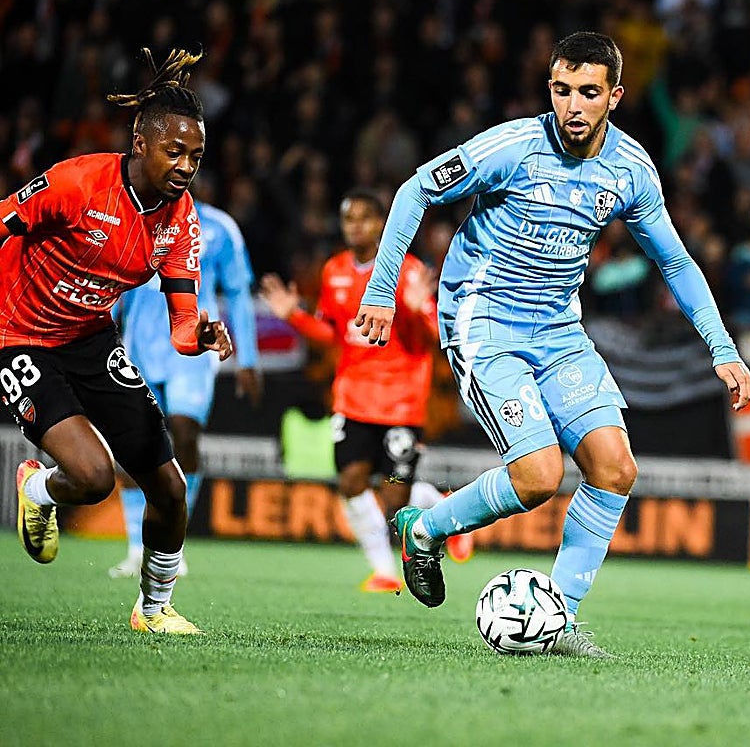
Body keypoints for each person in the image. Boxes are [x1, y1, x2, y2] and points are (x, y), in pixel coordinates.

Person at [356, 31, 750, 658]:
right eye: (562, 90)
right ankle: (424, 528)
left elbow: (675, 262)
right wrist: (381, 292)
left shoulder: (630, 169)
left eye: (588, 93)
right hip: (483, 323)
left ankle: (558, 619)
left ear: (615, 97)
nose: (573, 105)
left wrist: (722, 348)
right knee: (539, 476)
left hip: (559, 332)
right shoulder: (511, 148)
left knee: (615, 467)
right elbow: (415, 191)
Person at [1, 48, 232, 634]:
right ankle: (40, 486)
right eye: (174, 151)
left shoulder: (181, 220)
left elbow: (181, 326)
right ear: (139, 142)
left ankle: (154, 611)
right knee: (94, 478)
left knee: (170, 486)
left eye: (196, 156)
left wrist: (199, 333)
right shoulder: (77, 184)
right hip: (19, 336)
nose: (185, 166)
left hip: (90, 337)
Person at [260, 190, 471, 594]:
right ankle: (383, 571)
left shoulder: (408, 272)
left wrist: (416, 309)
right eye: (348, 218)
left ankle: (448, 510)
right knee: (352, 483)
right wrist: (295, 316)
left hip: (400, 403)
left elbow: (435, 338)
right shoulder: (334, 270)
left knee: (395, 501)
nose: (355, 225)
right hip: (353, 399)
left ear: (382, 224)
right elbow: (333, 334)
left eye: (364, 218)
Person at [108, 179, 263, 579]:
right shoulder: (133, 218)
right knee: (134, 443)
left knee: (185, 433)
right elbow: (112, 288)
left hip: (192, 351)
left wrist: (248, 357)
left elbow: (239, 292)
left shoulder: (219, 228)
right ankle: (133, 547)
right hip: (138, 347)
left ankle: (171, 543)